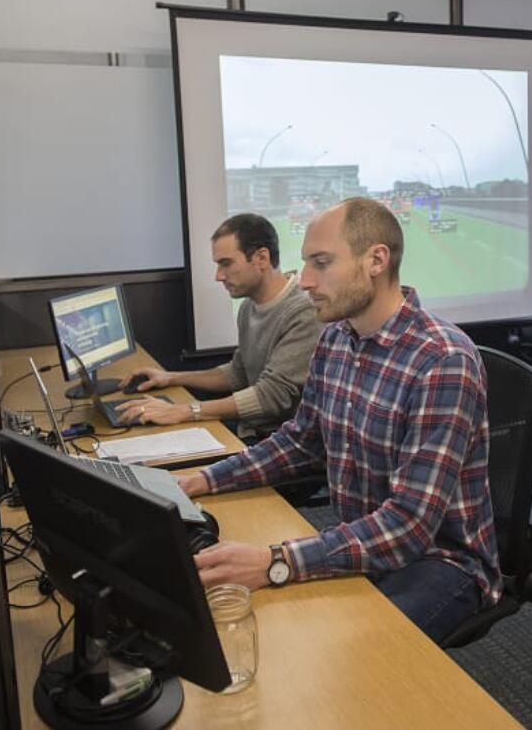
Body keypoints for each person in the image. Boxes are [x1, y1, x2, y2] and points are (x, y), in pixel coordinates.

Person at [178, 197, 501, 643]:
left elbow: (409, 525)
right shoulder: (335, 338)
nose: (305, 280)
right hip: (363, 539)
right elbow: (300, 441)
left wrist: (277, 560)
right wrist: (201, 480)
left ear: (376, 261)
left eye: (321, 263)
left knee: (351, 655)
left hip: (436, 560)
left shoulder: (442, 360)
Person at [118, 214, 322, 440]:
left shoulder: (304, 313)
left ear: (261, 258)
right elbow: (238, 372)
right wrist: (170, 377)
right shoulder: (248, 307)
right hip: (251, 430)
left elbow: (271, 396)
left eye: (226, 263)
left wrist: (186, 411)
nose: (218, 276)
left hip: (278, 442)